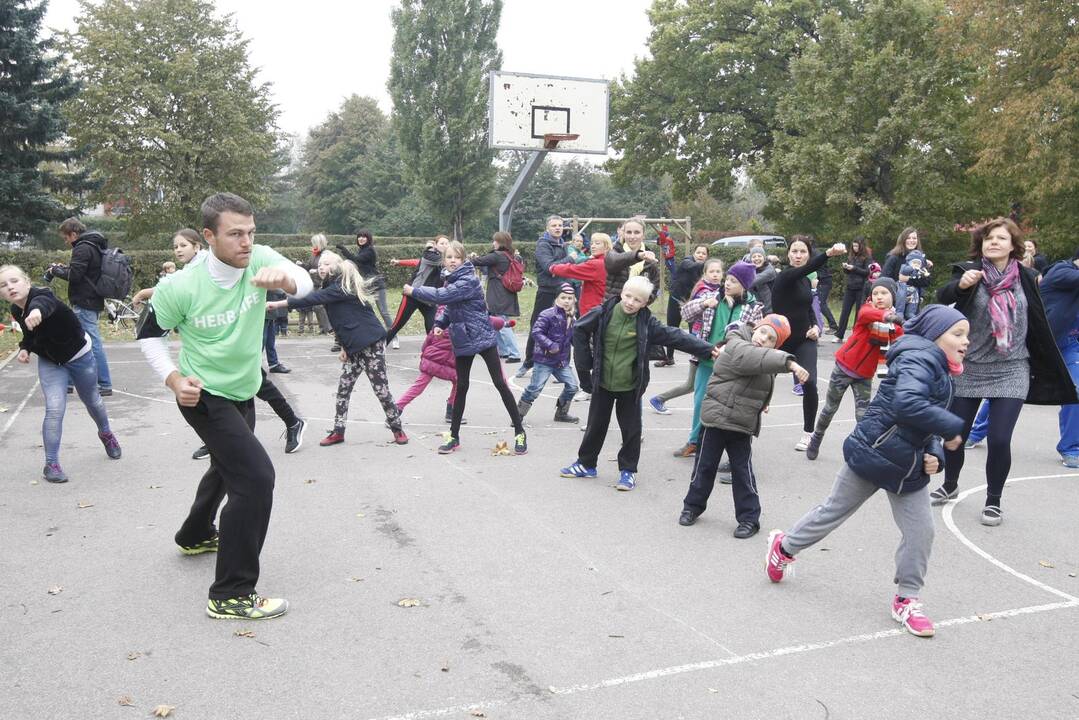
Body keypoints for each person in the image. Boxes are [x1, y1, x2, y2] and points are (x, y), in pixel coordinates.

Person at [137, 192, 313, 620]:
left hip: (243, 388)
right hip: (203, 395)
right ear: (208, 236)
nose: (246, 242)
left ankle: (194, 533)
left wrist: (288, 282)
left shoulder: (259, 258)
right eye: (235, 234)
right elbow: (148, 335)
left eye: (251, 232)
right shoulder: (180, 286)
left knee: (225, 465)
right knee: (254, 477)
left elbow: (304, 279)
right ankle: (231, 593)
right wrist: (175, 380)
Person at [766, 305, 971, 638]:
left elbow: (925, 418)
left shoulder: (942, 368)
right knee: (832, 512)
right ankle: (784, 548)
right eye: (957, 334)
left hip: (910, 466)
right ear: (935, 335)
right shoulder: (918, 358)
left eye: (967, 335)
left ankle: (907, 598)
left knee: (921, 532)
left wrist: (935, 453)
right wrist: (951, 428)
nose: (965, 341)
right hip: (875, 453)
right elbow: (908, 403)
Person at [931, 218, 1077, 526]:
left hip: (1013, 366)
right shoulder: (970, 273)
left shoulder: (1029, 276)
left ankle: (993, 501)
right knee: (955, 434)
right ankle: (951, 483)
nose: (993, 242)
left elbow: (1044, 313)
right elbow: (942, 300)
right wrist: (961, 285)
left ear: (1013, 245)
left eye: (1000, 238)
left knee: (999, 439)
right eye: (988, 238)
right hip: (970, 366)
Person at [134, 229, 305, 461]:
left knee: (259, 382)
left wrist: (288, 281)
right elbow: (182, 288)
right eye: (175, 246)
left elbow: (297, 280)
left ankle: (292, 421)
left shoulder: (220, 261)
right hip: (218, 359)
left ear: (198, 245)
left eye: (183, 245)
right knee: (227, 457)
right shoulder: (188, 275)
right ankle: (218, 439)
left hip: (242, 339)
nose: (178, 250)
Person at [560, 276, 720, 491]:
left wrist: (706, 348)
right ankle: (586, 464)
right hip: (603, 383)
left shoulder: (646, 323)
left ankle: (628, 471)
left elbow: (676, 336)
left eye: (637, 300)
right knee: (595, 426)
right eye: (627, 296)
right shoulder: (603, 313)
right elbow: (579, 329)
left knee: (631, 430)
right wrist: (585, 367)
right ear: (621, 293)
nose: (630, 302)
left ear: (645, 303)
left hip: (630, 386)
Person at [680, 315, 808, 537]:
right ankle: (692, 507)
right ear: (755, 328)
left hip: (741, 423)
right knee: (704, 467)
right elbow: (749, 359)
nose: (763, 339)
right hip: (716, 419)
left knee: (743, 472)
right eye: (762, 332)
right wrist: (791, 363)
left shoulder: (766, 360)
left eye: (771, 339)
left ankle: (749, 519)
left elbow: (763, 380)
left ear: (774, 346)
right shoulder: (736, 343)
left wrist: (763, 403)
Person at [268, 251, 407, 447]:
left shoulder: (343, 286)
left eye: (327, 263)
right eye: (321, 264)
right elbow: (340, 321)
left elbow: (311, 299)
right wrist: (344, 347)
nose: (322, 266)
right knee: (343, 390)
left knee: (381, 390)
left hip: (370, 344)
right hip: (353, 349)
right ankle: (338, 432)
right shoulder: (332, 287)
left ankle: (397, 429)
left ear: (337, 266)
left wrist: (278, 303)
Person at [1, 265, 121, 483]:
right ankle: (51, 464)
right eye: (3, 285)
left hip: (79, 356)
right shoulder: (17, 310)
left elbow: (43, 305)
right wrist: (25, 348)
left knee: (92, 400)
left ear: (27, 282)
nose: (10, 287)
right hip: (51, 361)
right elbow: (29, 333)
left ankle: (106, 434)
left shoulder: (42, 295)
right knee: (54, 409)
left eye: (14, 281)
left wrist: (36, 312)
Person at [406, 241, 527, 455]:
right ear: (445, 260)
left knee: (500, 383)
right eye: (449, 257)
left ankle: (519, 432)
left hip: (482, 336)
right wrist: (440, 324)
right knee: (461, 386)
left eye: (456, 257)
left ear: (463, 260)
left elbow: (441, 297)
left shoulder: (468, 280)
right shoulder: (450, 279)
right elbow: (450, 307)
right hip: (462, 338)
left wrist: (414, 291)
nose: (452, 261)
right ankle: (453, 437)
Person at [805, 278, 904, 460]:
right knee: (829, 409)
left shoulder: (896, 327)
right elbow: (869, 315)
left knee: (863, 416)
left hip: (865, 375)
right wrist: (890, 317)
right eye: (875, 293)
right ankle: (816, 438)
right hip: (843, 368)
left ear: (894, 296)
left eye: (884, 293)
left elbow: (898, 347)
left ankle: (861, 449)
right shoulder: (867, 311)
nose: (879, 297)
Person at [673, 261, 762, 457]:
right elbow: (685, 312)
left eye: (733, 281)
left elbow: (755, 338)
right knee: (700, 403)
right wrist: (703, 304)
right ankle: (694, 441)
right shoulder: (711, 296)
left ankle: (726, 450)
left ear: (744, 285)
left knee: (729, 408)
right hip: (706, 361)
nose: (727, 284)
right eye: (727, 279)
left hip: (732, 367)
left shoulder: (753, 307)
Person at [770, 236, 847, 450]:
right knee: (757, 385)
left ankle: (808, 433)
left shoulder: (805, 281)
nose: (798, 255)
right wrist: (828, 254)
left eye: (803, 252)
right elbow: (806, 269)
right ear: (788, 255)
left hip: (804, 341)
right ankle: (742, 431)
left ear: (807, 254)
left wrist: (815, 326)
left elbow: (808, 308)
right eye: (794, 251)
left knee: (810, 383)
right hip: (779, 341)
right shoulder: (786, 276)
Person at [397, 309, 511, 424]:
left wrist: (425, 355)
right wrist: (506, 323)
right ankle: (451, 410)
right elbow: (493, 322)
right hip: (447, 362)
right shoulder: (467, 317)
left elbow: (427, 342)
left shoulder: (440, 319)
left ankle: (397, 409)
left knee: (419, 386)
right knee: (459, 382)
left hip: (433, 359)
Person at [47, 218, 113, 395]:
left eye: (65, 237)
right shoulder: (92, 245)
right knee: (75, 338)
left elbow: (75, 276)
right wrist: (64, 268)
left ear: (73, 234)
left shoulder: (82, 247)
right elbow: (82, 272)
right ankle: (69, 382)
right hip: (90, 300)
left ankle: (104, 383)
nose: (65, 241)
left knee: (90, 341)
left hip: (85, 301)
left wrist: (55, 271)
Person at [651, 258, 724, 418]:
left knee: (699, 384)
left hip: (714, 346)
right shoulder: (703, 291)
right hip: (700, 345)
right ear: (704, 274)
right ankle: (658, 399)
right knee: (692, 385)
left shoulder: (723, 291)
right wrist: (705, 303)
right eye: (711, 271)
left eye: (718, 272)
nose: (715, 275)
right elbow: (688, 313)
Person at [517, 283, 579, 423]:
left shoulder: (572, 317)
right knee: (534, 389)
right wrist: (550, 344)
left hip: (561, 361)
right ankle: (518, 415)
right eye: (563, 297)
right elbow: (536, 332)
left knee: (572, 386)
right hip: (544, 360)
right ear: (557, 298)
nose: (567, 301)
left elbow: (573, 338)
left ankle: (561, 413)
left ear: (574, 300)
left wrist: (587, 347)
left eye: (570, 298)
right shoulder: (547, 314)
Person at [518, 215, 570, 377]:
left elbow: (567, 267)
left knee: (564, 327)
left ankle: (561, 364)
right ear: (547, 228)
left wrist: (564, 265)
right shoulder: (543, 244)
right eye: (554, 225)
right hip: (547, 291)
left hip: (563, 290)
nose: (557, 228)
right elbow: (549, 267)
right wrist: (569, 260)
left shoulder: (564, 244)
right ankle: (528, 362)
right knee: (538, 326)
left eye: (560, 225)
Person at [1040, 251, 1079, 467]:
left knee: (1076, 390)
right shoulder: (1061, 271)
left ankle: (1070, 449)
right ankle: (976, 432)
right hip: (1042, 343)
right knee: (1011, 391)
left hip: (1070, 344)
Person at [386, 235, 450, 343]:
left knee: (433, 330)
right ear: (435, 245)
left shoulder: (444, 257)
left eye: (447, 243)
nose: (445, 245)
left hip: (429, 299)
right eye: (442, 243)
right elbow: (446, 262)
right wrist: (460, 257)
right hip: (412, 295)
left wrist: (400, 262)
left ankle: (431, 356)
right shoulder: (429, 254)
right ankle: (377, 351)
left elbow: (416, 262)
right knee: (396, 326)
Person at [337, 229, 395, 348]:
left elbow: (357, 260)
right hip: (364, 285)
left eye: (364, 237)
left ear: (368, 239)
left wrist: (344, 250)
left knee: (384, 312)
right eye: (359, 237)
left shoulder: (369, 250)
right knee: (365, 311)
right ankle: (371, 337)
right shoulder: (361, 250)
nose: (361, 238)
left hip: (376, 285)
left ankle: (394, 337)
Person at [470, 231, 522, 363]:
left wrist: (468, 258)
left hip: (499, 294)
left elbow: (477, 262)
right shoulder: (509, 255)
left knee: (502, 322)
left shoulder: (497, 256)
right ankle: (504, 351)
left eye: (495, 241)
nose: (493, 243)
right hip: (505, 292)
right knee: (496, 322)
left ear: (500, 242)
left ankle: (514, 353)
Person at [656, 243, 709, 367]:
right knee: (672, 328)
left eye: (704, 253)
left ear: (706, 256)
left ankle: (695, 359)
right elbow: (691, 266)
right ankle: (668, 357)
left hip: (691, 303)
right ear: (693, 254)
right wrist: (708, 264)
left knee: (693, 331)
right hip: (676, 299)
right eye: (698, 252)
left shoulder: (705, 271)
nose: (700, 255)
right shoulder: (687, 261)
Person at [549, 232, 612, 318]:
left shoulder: (596, 264)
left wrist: (553, 268)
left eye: (597, 244)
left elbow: (572, 270)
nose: (593, 246)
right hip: (601, 306)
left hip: (592, 310)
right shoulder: (608, 261)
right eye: (592, 243)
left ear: (606, 247)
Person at [603, 218, 662, 303]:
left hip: (637, 312)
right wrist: (638, 255)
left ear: (643, 235)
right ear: (623, 234)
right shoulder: (613, 252)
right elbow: (613, 263)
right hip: (612, 309)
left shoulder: (650, 260)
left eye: (637, 232)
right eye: (629, 232)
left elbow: (654, 290)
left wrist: (639, 304)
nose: (632, 236)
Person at [295, 233, 333, 337]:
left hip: (323, 283)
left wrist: (316, 270)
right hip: (315, 284)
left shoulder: (326, 254)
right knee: (316, 307)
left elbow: (331, 268)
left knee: (320, 306)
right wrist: (301, 265)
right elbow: (308, 266)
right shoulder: (314, 254)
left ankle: (329, 328)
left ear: (319, 243)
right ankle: (323, 328)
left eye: (314, 243)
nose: (312, 245)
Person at [834, 238, 872, 341]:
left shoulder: (867, 257)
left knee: (859, 312)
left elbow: (867, 272)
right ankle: (839, 335)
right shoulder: (851, 256)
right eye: (854, 246)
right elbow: (847, 272)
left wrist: (854, 268)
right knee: (845, 311)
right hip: (850, 287)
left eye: (857, 246)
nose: (855, 248)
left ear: (861, 246)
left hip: (861, 287)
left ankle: (856, 335)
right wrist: (845, 268)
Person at [898, 250, 931, 320]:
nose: (916, 264)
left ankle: (911, 315)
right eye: (914, 262)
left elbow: (923, 284)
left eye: (918, 263)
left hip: (915, 293)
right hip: (904, 290)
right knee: (901, 302)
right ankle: (899, 312)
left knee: (912, 309)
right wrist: (912, 267)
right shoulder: (905, 266)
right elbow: (904, 272)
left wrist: (922, 295)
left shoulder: (920, 271)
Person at [264, 289, 289, 372]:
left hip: (270, 312)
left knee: (270, 341)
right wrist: (284, 292)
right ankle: (253, 367)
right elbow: (269, 286)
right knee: (261, 342)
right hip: (263, 311)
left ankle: (273, 364)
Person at [748, 246, 778, 314]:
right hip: (757, 311)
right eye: (754, 257)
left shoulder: (769, 271)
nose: (756, 258)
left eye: (759, 256)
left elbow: (751, 281)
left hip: (771, 311)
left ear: (764, 258)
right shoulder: (753, 270)